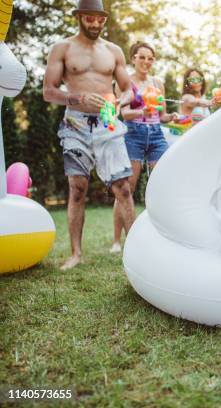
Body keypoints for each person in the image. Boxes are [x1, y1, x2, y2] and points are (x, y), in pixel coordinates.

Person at [42, 0, 135, 270]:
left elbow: (129, 89)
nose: (95, 24)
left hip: (107, 122)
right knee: (78, 188)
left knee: (124, 188)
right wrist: (76, 97)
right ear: (80, 17)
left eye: (100, 19)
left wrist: (119, 101)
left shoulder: (114, 51)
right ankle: (76, 254)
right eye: (90, 18)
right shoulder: (62, 48)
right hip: (76, 124)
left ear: (104, 19)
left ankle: (136, 252)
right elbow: (48, 91)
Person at [110, 41, 178, 253]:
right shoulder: (125, 82)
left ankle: (161, 234)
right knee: (126, 189)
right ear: (133, 59)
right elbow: (124, 112)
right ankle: (116, 241)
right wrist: (143, 113)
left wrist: (171, 117)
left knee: (160, 183)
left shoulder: (157, 82)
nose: (146, 62)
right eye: (142, 57)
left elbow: (162, 114)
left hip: (156, 135)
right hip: (133, 135)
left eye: (150, 58)